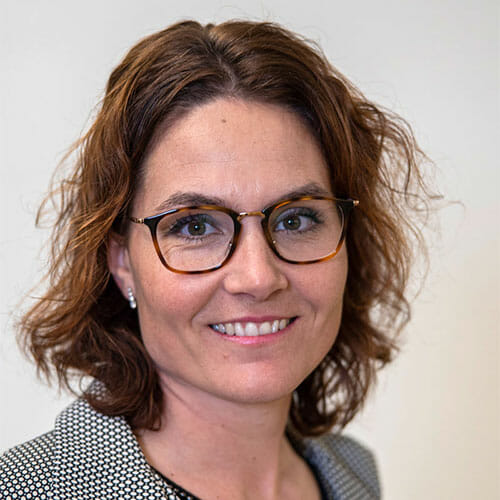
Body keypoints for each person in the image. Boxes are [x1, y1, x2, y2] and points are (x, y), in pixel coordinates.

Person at [0, 19, 430, 500]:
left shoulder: (353, 475)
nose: (258, 277)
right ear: (121, 263)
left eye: (295, 220)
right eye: (195, 226)